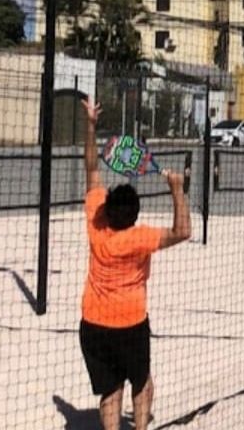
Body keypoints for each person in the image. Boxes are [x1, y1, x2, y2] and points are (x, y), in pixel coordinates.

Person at [78, 98, 191, 430]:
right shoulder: (140, 238)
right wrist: (177, 190)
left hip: (93, 324)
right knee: (141, 384)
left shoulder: (96, 222)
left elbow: (92, 169)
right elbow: (182, 231)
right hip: (130, 324)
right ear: (134, 216)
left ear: (107, 209)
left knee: (110, 391)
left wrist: (91, 125)